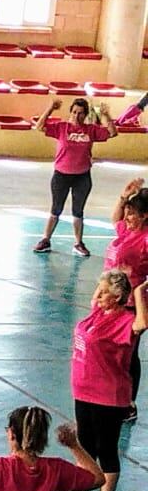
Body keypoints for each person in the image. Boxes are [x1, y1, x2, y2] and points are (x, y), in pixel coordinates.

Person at [70, 268, 148, 491]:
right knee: (85, 442)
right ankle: (81, 486)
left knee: (106, 448)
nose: (98, 295)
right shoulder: (97, 312)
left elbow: (142, 324)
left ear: (117, 298)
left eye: (104, 292)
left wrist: (138, 292)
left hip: (108, 396)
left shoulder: (125, 320)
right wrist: (105, 280)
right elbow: (97, 296)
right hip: (84, 389)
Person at [34, 97, 116, 256]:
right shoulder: (61, 128)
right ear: (70, 112)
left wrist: (106, 115)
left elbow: (112, 133)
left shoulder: (91, 130)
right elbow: (39, 126)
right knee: (55, 209)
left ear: (85, 115)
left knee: (78, 211)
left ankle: (78, 243)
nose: (77, 116)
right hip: (61, 175)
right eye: (74, 112)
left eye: (80, 113)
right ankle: (45, 240)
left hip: (82, 177)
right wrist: (50, 108)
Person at [103, 179, 148, 418]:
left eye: (132, 214)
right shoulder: (124, 230)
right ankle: (111, 395)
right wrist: (123, 197)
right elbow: (115, 218)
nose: (127, 217)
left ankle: (129, 403)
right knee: (108, 350)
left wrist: (139, 286)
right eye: (127, 212)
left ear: (145, 216)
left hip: (130, 305)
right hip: (108, 300)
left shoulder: (146, 240)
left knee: (128, 353)